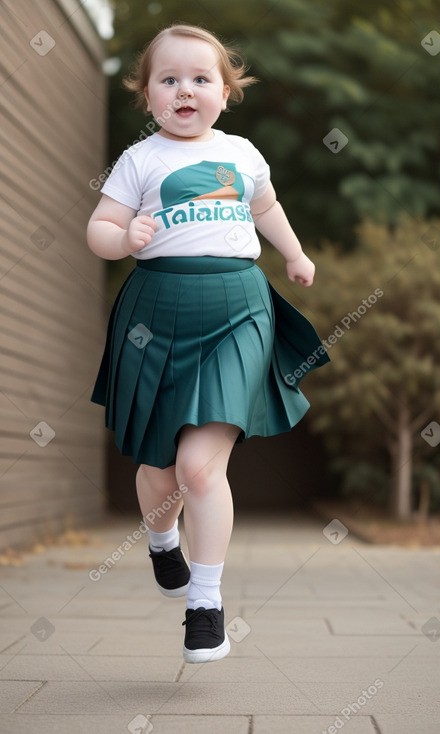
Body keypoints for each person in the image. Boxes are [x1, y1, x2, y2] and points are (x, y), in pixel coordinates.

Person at [87, 23, 329, 664]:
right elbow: (100, 228)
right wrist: (124, 238)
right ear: (148, 97)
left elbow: (265, 208)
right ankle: (161, 538)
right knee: (158, 470)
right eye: (169, 80)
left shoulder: (243, 154)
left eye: (201, 79)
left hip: (237, 310)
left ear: (225, 91)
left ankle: (206, 603)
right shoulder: (140, 161)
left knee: (199, 468)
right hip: (156, 314)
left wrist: (296, 255)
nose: (185, 90)